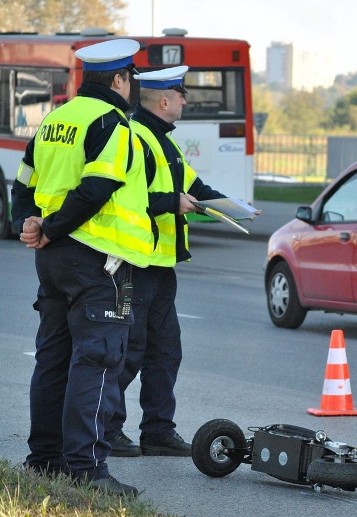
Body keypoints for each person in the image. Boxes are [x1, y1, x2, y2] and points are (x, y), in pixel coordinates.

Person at [11, 39, 154, 497]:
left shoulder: (56, 119)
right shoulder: (113, 124)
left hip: (53, 261)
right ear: (119, 80)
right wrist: (51, 227)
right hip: (97, 260)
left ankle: (45, 460)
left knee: (53, 359)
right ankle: (86, 470)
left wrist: (28, 225)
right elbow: (97, 189)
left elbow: (23, 178)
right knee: (98, 361)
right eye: (130, 79)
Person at [104, 65, 228, 457]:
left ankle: (157, 431)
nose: (185, 100)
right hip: (135, 265)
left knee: (165, 350)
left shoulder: (165, 142)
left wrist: (232, 208)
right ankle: (106, 428)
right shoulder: (136, 137)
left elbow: (194, 187)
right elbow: (125, 198)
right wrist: (170, 204)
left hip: (160, 265)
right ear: (163, 100)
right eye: (181, 94)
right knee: (129, 349)